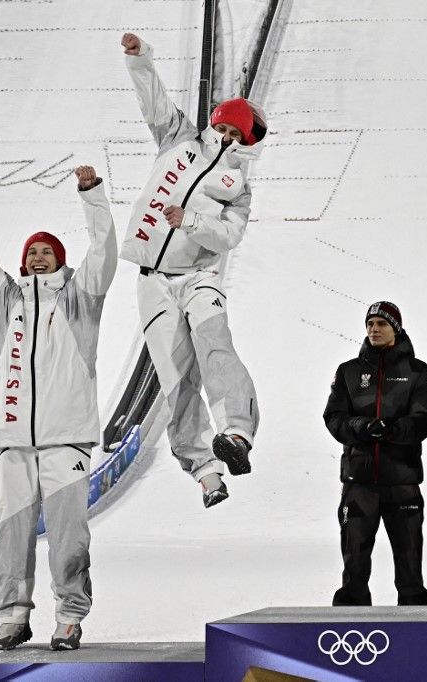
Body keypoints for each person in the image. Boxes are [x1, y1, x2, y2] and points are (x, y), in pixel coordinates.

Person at [0, 161, 117, 652]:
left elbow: (104, 252)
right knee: (11, 537)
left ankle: (69, 616)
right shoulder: (5, 300)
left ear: (60, 259)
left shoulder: (81, 297)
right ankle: (12, 617)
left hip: (66, 437)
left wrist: (93, 196)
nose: (39, 257)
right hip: (13, 440)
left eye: (47, 251)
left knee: (69, 537)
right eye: (32, 253)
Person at [119, 32, 267, 508]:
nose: (227, 139)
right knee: (176, 378)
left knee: (215, 347)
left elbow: (228, 237)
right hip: (153, 282)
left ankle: (237, 432)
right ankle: (206, 471)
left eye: (236, 136)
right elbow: (154, 103)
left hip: (199, 277)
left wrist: (193, 220)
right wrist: (140, 60)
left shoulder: (238, 187)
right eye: (224, 129)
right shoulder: (179, 139)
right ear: (215, 123)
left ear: (245, 142)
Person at [323, 302, 427, 606]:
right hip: (358, 483)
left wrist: (391, 429)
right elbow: (333, 418)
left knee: (410, 565)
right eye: (370, 323)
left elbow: (425, 419)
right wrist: (362, 426)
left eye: (381, 324)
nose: (374, 329)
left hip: (402, 482)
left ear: (395, 328)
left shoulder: (417, 371)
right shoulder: (349, 371)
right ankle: (349, 631)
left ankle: (415, 630)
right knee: (354, 564)